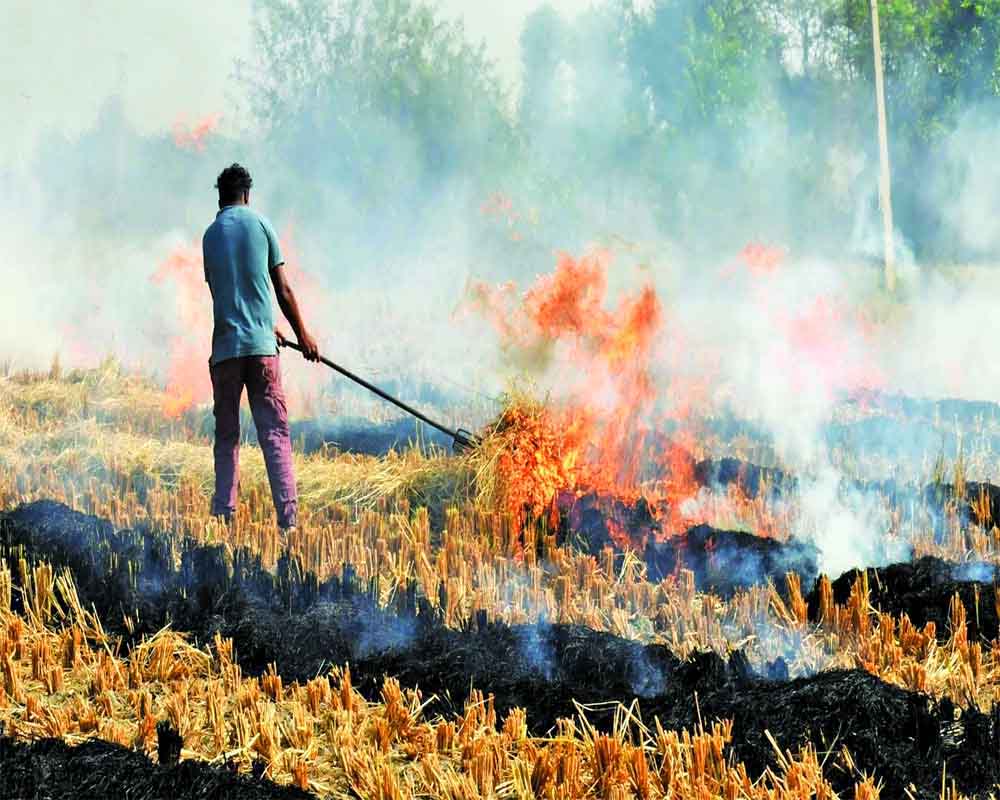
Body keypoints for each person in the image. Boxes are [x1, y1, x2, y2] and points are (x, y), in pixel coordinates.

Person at [202, 163, 320, 533]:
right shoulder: (262, 225)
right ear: (247, 195)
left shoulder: (209, 236)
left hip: (225, 352)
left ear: (220, 198)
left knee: (227, 436)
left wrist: (269, 330)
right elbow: (282, 290)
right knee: (274, 434)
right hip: (261, 351)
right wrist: (303, 336)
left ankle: (224, 516)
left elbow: (226, 294)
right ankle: (288, 522)